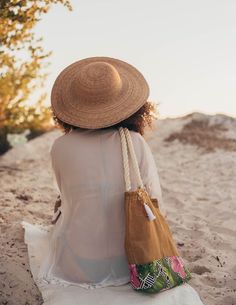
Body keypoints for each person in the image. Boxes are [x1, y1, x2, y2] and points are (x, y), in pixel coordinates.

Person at [22, 56, 205, 305]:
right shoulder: (135, 142)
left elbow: (65, 195)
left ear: (73, 105)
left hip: (76, 264)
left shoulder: (60, 146)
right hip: (132, 263)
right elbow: (154, 200)